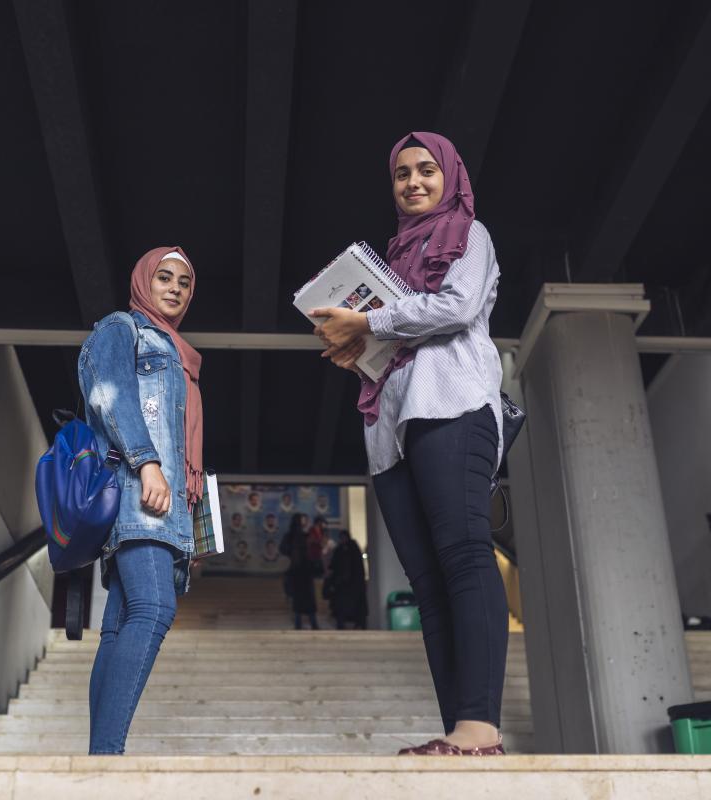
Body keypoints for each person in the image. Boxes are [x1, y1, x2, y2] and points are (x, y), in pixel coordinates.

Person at [310, 132, 509, 756]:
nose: (414, 182)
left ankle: (481, 729)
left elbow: (455, 306)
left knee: (465, 554)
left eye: (426, 170)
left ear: (450, 176)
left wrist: (371, 323)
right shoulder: (393, 263)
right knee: (427, 582)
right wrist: (360, 348)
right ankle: (460, 730)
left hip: (451, 405)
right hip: (392, 429)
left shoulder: (468, 235)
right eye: (401, 174)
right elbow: (402, 327)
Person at [77, 246, 205, 755]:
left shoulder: (180, 353)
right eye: (164, 277)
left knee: (120, 623)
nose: (174, 287)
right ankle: (108, 756)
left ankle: (97, 759)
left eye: (185, 282)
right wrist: (146, 462)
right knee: (153, 608)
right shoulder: (121, 329)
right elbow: (109, 394)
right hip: (138, 491)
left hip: (165, 502)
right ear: (143, 281)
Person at [285, 513, 320, 630]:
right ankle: (306, 624)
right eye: (303, 520)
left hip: (301, 571)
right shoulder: (297, 536)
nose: (305, 522)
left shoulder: (301, 535)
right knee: (302, 601)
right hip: (300, 571)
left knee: (302, 601)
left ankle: (303, 624)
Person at [329, 531, 367, 630]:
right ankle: (347, 623)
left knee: (349, 605)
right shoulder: (344, 549)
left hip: (350, 584)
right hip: (346, 584)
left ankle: (354, 623)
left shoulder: (349, 549)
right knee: (345, 605)